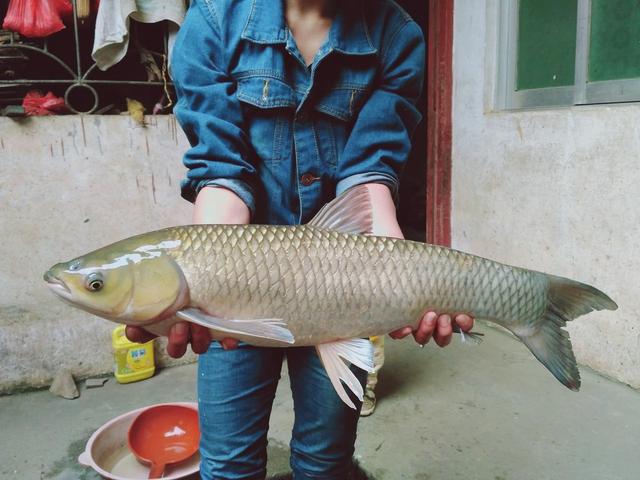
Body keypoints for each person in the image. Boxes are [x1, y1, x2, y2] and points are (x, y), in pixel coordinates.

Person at [126, 0, 474, 478]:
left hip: (344, 289)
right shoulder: (213, 20)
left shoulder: (397, 34)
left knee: (325, 460)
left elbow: (371, 170)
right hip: (240, 299)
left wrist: (409, 281)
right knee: (227, 463)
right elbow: (221, 168)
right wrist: (205, 283)